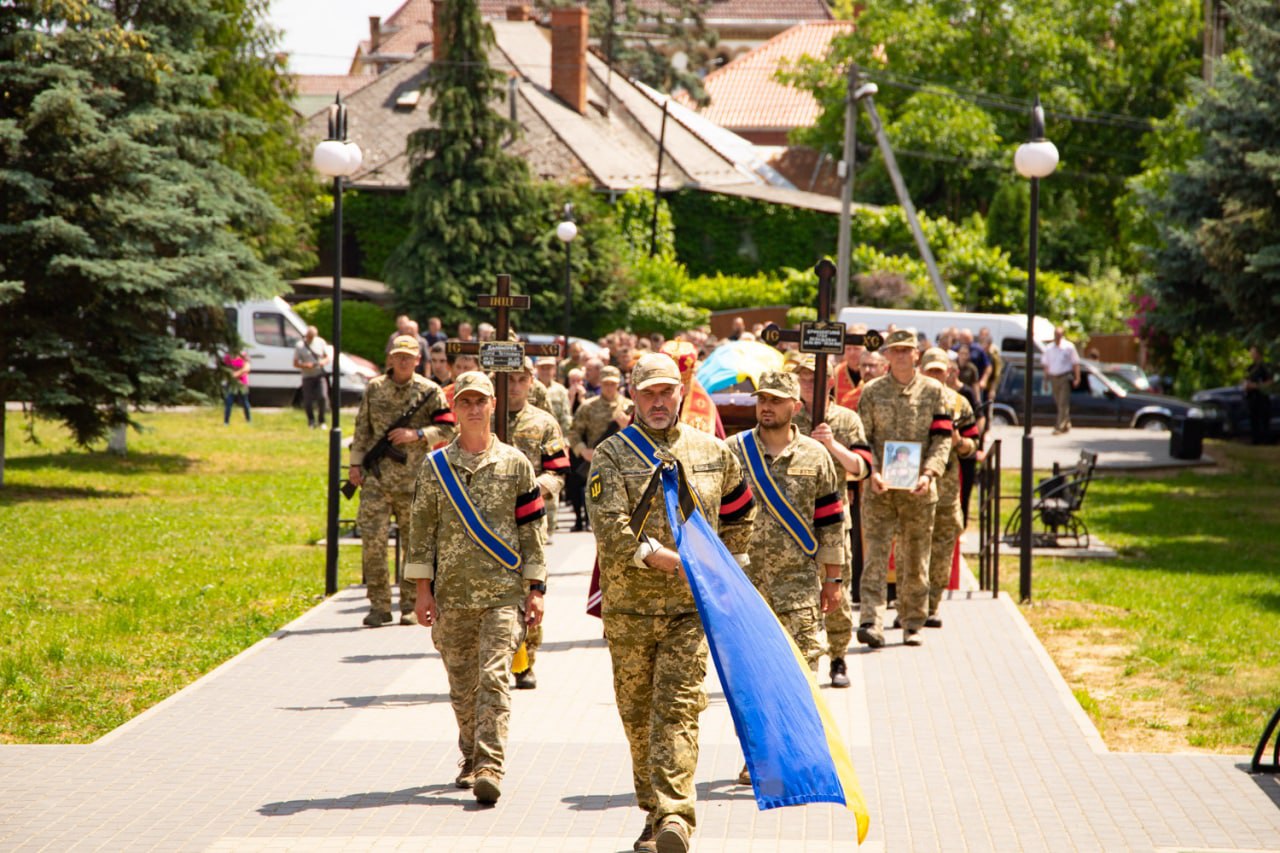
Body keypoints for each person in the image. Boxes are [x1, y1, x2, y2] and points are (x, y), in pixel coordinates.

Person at [587, 353, 756, 853]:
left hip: (690, 611)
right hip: (631, 611)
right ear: (633, 397)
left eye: (667, 392)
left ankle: (676, 817)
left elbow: (740, 512)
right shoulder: (611, 456)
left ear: (681, 393)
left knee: (679, 710)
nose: (658, 402)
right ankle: (654, 812)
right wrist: (665, 560)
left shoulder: (715, 452)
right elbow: (612, 530)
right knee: (638, 717)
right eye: (648, 393)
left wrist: (729, 571)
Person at [405, 371, 546, 805]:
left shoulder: (515, 463)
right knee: (462, 686)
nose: (472, 409)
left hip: (503, 595)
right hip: (452, 596)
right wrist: (422, 591)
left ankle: (490, 764)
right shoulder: (436, 466)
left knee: (494, 679)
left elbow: (531, 528)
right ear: (456, 408)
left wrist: (535, 587)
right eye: (464, 402)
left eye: (479, 401)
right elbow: (422, 529)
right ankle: (469, 754)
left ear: (491, 406)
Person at [726, 370, 844, 785]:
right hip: (745, 586)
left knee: (804, 669)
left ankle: (801, 753)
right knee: (752, 675)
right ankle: (758, 757)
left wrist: (834, 579)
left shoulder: (816, 456)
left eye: (776, 400)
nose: (767, 406)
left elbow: (831, 521)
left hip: (798, 585)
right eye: (762, 399)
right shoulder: (733, 452)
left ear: (796, 406)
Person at [855, 328, 953, 649]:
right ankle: (871, 620)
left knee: (915, 557)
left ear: (916, 355)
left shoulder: (933, 392)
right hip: (880, 489)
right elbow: (862, 438)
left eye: (905, 350)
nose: (899, 355)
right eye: (893, 350)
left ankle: (912, 622)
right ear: (887, 355)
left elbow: (942, 438)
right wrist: (872, 472)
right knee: (876, 557)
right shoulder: (871, 392)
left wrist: (930, 473)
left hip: (919, 491)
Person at [349, 335, 455, 627]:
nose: (404, 361)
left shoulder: (429, 391)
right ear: (391, 359)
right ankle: (379, 605)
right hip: (377, 480)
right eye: (399, 356)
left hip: (415, 482)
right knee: (372, 541)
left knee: (415, 545)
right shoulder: (375, 388)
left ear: (418, 360)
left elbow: (448, 428)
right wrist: (355, 463)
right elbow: (362, 427)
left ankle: (410, 604)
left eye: (410, 356)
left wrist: (418, 435)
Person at [789, 354, 871, 689]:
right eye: (805, 378)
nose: (810, 383)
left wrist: (831, 443)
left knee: (836, 592)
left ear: (832, 381)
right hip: (792, 521)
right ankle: (796, 660)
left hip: (833, 521)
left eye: (817, 377)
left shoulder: (847, 419)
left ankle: (838, 658)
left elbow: (861, 467)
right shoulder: (789, 415)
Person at [501, 359, 569, 689]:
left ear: (530, 382)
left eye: (520, 379)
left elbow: (558, 471)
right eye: (508, 379)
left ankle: (526, 661)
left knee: (532, 590)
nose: (513, 385)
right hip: (486, 527)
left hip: (529, 522)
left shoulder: (544, 422)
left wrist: (531, 488)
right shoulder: (482, 419)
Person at [918, 348, 979, 628]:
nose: (934, 376)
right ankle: (911, 607)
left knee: (941, 550)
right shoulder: (912, 400)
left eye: (938, 371)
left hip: (946, 490)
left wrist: (960, 442)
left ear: (948, 373)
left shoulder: (960, 405)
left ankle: (932, 606)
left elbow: (973, 445)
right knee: (913, 549)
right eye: (929, 370)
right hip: (916, 487)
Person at [567, 366, 633, 531]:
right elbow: (573, 432)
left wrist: (629, 426)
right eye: (606, 384)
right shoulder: (588, 406)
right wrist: (583, 451)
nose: (610, 387)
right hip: (596, 459)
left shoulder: (629, 406)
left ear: (619, 384)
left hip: (624, 462)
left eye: (613, 383)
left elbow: (644, 434)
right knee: (597, 499)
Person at [659, 340, 723, 437]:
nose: (677, 393)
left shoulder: (707, 408)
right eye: (668, 388)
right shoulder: (649, 402)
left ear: (691, 377)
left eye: (682, 385)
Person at [1041, 326, 1081, 434]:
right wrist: (1045, 381)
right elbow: (1046, 366)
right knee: (1058, 402)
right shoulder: (1049, 348)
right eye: (1056, 334)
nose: (1057, 337)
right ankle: (1066, 423)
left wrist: (1077, 378)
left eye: (1059, 334)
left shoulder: (1069, 347)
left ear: (1062, 335)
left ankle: (1059, 426)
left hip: (1065, 376)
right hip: (1054, 378)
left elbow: (1075, 363)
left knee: (1063, 402)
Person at [293, 325, 331, 429]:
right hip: (307, 376)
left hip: (319, 375)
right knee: (308, 400)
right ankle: (311, 421)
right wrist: (305, 365)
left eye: (312, 337)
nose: (310, 338)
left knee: (322, 397)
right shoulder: (300, 346)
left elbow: (327, 357)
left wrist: (322, 362)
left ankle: (322, 421)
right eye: (309, 336)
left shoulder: (320, 342)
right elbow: (295, 363)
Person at [1244, 346, 1275, 445]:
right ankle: (1255, 440)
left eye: (1253, 352)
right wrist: (1246, 385)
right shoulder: (1251, 367)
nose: (1251, 355)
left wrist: (1256, 386)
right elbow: (1246, 380)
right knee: (1254, 419)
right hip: (1252, 397)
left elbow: (1270, 382)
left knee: (1264, 419)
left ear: (1258, 354)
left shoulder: (1265, 367)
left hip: (1262, 397)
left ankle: (1265, 440)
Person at [833, 325, 866, 410]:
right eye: (848, 349)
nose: (852, 353)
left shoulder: (875, 371)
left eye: (856, 349)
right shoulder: (836, 372)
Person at [222, 348, 251, 424]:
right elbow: (227, 370)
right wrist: (241, 371)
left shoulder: (243, 355)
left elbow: (247, 368)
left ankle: (249, 420)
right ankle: (226, 422)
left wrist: (237, 374)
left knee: (245, 403)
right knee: (229, 402)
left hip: (242, 383)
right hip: (231, 384)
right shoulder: (227, 357)